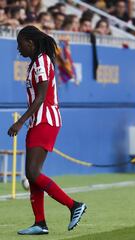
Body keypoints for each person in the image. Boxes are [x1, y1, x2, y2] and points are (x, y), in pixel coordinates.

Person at [7, 26, 87, 235]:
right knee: (31, 175)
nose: (18, 48)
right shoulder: (34, 63)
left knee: (33, 173)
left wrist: (19, 122)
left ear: (30, 43)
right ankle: (40, 223)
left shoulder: (42, 61)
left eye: (20, 43)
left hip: (46, 120)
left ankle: (74, 205)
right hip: (37, 121)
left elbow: (41, 97)